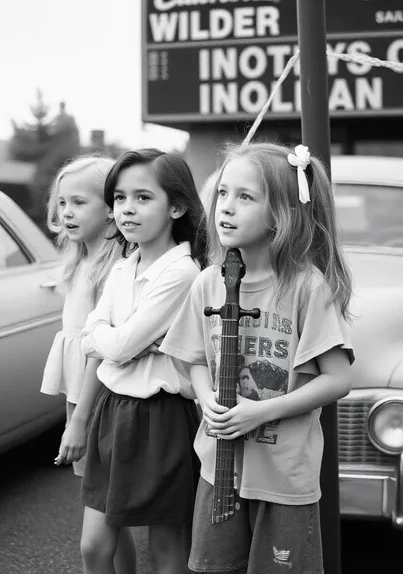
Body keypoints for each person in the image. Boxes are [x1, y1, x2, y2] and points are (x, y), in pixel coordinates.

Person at [160, 142, 355, 574]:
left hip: (283, 476)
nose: (226, 208)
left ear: (281, 214)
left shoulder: (308, 287)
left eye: (245, 197)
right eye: (223, 194)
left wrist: (260, 412)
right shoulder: (208, 282)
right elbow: (191, 357)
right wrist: (206, 395)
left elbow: (337, 379)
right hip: (217, 469)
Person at [78, 148, 207, 574]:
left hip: (162, 417)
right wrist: (110, 339)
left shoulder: (182, 272)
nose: (126, 209)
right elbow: (95, 338)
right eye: (119, 198)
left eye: (142, 197)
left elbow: (114, 347)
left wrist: (108, 338)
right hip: (112, 411)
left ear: (176, 206)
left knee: (167, 546)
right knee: (94, 546)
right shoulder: (121, 267)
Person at [40, 155, 140, 573]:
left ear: (111, 208)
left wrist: (79, 420)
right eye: (61, 203)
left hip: (99, 399)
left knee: (104, 517)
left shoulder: (115, 268)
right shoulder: (81, 258)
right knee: (109, 515)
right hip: (81, 396)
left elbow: (103, 353)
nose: (66, 212)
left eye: (78, 202)